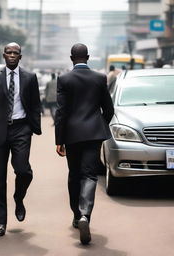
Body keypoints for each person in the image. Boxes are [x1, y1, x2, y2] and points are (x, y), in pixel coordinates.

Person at [0, 42, 42, 237]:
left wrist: (32, 127)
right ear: (3, 55)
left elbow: (35, 105)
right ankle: (1, 222)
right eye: (9, 52)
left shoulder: (30, 78)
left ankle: (19, 197)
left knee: (23, 170)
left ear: (20, 56)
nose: (12, 55)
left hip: (21, 129)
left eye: (16, 53)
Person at [55, 43, 114, 245]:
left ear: (71, 58)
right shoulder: (99, 78)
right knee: (89, 174)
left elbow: (61, 113)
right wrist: (99, 124)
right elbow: (109, 108)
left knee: (74, 174)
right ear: (87, 57)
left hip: (72, 135)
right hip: (93, 134)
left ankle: (75, 214)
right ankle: (85, 215)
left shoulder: (64, 79)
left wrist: (59, 140)